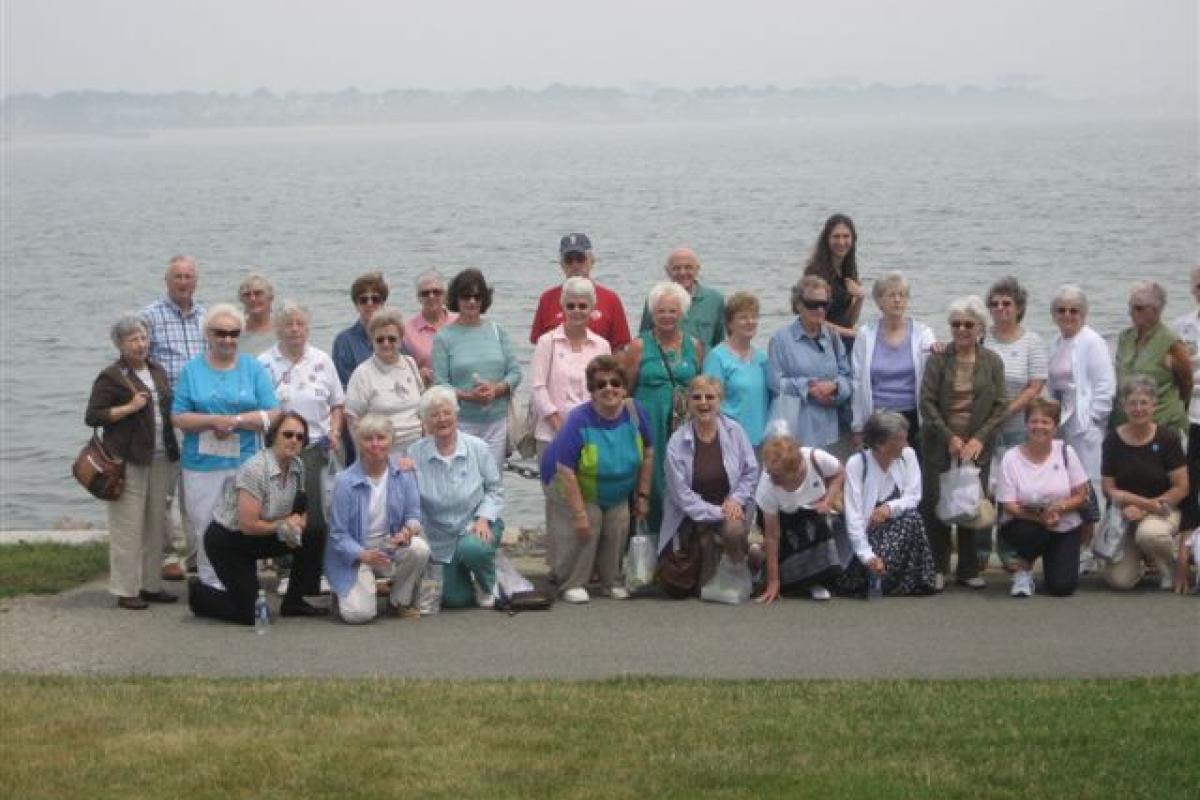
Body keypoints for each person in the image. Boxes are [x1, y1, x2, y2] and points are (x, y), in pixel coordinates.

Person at [171, 303, 279, 589]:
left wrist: (237, 420)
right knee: (206, 522)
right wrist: (211, 421)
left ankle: (242, 579)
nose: (228, 340)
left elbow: (273, 413)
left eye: (233, 334)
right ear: (208, 334)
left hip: (246, 462)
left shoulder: (254, 368)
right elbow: (179, 416)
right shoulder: (191, 370)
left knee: (243, 522)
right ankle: (209, 580)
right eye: (221, 333)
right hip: (202, 463)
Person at [188, 412, 326, 623]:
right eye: (288, 434)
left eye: (300, 437)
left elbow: (301, 506)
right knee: (253, 615)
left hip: (265, 533)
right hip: (229, 541)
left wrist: (301, 522)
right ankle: (200, 595)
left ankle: (294, 602)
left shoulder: (298, 465)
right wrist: (284, 524)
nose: (294, 440)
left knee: (314, 533)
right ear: (274, 436)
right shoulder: (255, 469)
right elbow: (248, 525)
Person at [85, 314, 181, 610]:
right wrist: (129, 407)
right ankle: (126, 590)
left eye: (143, 338)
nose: (140, 344)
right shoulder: (111, 376)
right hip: (127, 461)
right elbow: (94, 416)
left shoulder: (158, 370)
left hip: (161, 457)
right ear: (120, 345)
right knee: (127, 526)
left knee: (156, 525)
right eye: (133, 340)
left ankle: (151, 585)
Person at [540, 355, 653, 603]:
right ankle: (572, 581)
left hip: (618, 489)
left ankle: (611, 580)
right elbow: (566, 469)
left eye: (615, 383)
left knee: (618, 523)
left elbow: (649, 452)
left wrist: (643, 495)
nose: (609, 389)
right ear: (591, 391)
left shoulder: (635, 412)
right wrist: (579, 514)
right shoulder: (578, 420)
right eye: (601, 384)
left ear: (624, 387)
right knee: (588, 524)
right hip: (574, 483)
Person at [919, 296, 1008, 590]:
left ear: (980, 328)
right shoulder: (938, 359)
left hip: (976, 447)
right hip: (939, 443)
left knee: (970, 504)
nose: (961, 329)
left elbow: (1000, 406)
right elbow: (927, 403)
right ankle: (938, 567)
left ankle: (969, 569)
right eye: (955, 324)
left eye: (968, 324)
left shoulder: (992, 362)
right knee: (936, 506)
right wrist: (950, 437)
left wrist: (978, 439)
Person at [259, 300, 345, 595]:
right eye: (288, 324)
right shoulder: (264, 363)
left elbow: (337, 403)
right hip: (280, 451)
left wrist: (335, 430)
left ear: (308, 327)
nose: (295, 330)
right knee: (282, 511)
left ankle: (316, 570)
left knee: (318, 515)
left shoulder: (322, 360)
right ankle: (285, 570)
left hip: (317, 449)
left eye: (300, 324)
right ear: (278, 328)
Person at [530, 278, 612, 579]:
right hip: (552, 435)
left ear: (592, 309)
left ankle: (585, 568)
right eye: (570, 306)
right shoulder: (547, 343)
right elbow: (538, 387)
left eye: (583, 306)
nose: (576, 311)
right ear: (561, 308)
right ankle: (559, 568)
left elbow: (605, 388)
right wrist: (559, 424)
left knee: (587, 499)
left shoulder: (601, 345)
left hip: (592, 434)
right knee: (558, 502)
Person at [325, 413, 432, 622]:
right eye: (368, 438)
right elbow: (338, 535)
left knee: (419, 548)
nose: (375, 444)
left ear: (391, 441)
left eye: (381, 438)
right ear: (358, 442)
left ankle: (398, 601)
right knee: (359, 615)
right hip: (356, 551)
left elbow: (414, 515)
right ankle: (344, 592)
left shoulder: (404, 473)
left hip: (389, 545)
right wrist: (362, 554)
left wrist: (407, 531)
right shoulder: (344, 482)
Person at [657, 376, 757, 597]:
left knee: (734, 530)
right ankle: (745, 557)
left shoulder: (736, 431)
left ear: (720, 400)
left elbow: (750, 472)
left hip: (731, 508)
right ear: (689, 402)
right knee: (695, 587)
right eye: (697, 397)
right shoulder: (676, 441)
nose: (704, 403)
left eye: (710, 397)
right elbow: (681, 494)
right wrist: (719, 512)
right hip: (690, 517)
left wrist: (736, 501)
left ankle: (739, 572)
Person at [409, 387, 504, 609]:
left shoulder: (477, 447)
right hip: (440, 536)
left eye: (446, 412)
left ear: (456, 414)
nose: (441, 419)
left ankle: (488, 583)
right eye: (434, 415)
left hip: (475, 525)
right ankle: (466, 575)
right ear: (426, 423)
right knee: (455, 600)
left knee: (473, 549)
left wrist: (483, 518)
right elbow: (410, 501)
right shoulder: (414, 453)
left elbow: (495, 489)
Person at [141, 254, 205, 581]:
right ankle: (166, 553)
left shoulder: (205, 318)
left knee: (194, 487)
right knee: (164, 488)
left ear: (196, 281)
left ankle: (196, 554)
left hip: (200, 415)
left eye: (188, 276)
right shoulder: (149, 317)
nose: (183, 282)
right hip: (165, 414)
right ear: (167, 281)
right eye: (177, 276)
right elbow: (136, 363)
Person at [1046, 284, 1117, 572]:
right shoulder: (1056, 341)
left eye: (1074, 310)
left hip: (1085, 424)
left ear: (1083, 314)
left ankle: (1090, 550)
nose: (1067, 315)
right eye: (1061, 310)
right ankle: (1073, 546)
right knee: (1069, 486)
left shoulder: (1092, 341)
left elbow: (1105, 386)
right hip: (1062, 423)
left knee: (1089, 486)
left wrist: (1093, 421)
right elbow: (1053, 385)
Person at [623, 281, 704, 531]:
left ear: (682, 313)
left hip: (683, 421)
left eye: (672, 311)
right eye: (661, 311)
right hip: (649, 419)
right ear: (652, 314)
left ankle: (680, 544)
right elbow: (626, 388)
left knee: (682, 479)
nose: (667, 316)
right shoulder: (638, 346)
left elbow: (700, 386)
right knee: (652, 482)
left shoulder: (695, 346)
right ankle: (648, 540)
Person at [1101, 376, 1189, 590]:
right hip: (1125, 515)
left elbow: (1182, 486)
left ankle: (1167, 565)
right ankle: (1141, 559)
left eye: (1144, 402)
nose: (1138, 408)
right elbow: (1108, 488)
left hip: (1164, 510)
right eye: (1132, 403)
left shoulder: (1168, 438)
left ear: (1154, 405)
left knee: (1150, 534)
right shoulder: (1112, 439)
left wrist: (1145, 508)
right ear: (1123, 406)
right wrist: (1131, 506)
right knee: (1119, 581)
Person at [836, 411, 938, 597]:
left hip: (896, 529)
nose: (905, 443)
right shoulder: (857, 464)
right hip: (866, 537)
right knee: (869, 565)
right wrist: (867, 556)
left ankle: (904, 580)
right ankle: (876, 574)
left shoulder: (908, 456)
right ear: (881, 444)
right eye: (898, 439)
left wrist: (889, 508)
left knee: (912, 518)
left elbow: (914, 496)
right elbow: (854, 517)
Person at [995, 398, 1090, 597]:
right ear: (1026, 424)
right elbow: (1009, 506)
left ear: (1055, 427)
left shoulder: (1066, 452)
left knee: (1062, 587)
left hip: (1063, 522)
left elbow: (1082, 495)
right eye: (1034, 421)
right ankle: (1023, 570)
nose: (1039, 426)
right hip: (1026, 522)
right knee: (1029, 533)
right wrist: (1041, 519)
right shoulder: (1011, 458)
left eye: (1045, 422)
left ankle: (1053, 558)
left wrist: (1059, 509)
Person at [432, 268, 522, 472]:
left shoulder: (497, 331)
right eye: (465, 296)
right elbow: (439, 384)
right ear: (456, 298)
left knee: (492, 483)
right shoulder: (444, 338)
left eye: (477, 296)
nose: (471, 302)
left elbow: (515, 373)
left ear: (484, 299)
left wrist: (496, 390)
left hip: (497, 423)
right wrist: (469, 396)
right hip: (462, 423)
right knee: (463, 483)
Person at [754, 433, 846, 604]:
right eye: (769, 472)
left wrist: (828, 500)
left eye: (777, 475)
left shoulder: (817, 458)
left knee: (821, 523)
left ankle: (818, 580)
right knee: (789, 539)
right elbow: (773, 536)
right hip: (782, 518)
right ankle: (775, 574)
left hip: (812, 510)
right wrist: (774, 583)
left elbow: (840, 473)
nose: (771, 479)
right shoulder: (767, 486)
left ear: (795, 471)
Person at [849, 271, 936, 452]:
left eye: (902, 295)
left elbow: (933, 369)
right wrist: (858, 427)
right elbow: (856, 382)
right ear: (880, 301)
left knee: (912, 472)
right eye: (891, 295)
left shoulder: (923, 333)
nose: (897, 300)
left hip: (912, 417)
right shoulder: (866, 334)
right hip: (878, 417)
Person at [767, 275, 851, 454]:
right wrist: (808, 387)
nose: (819, 310)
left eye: (824, 304)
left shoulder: (833, 338)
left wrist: (835, 387)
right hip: (796, 431)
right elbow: (775, 384)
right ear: (798, 305)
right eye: (812, 304)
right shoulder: (781, 339)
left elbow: (848, 378)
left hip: (831, 433)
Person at [1113, 280, 1192, 436]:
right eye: (1130, 307)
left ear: (1156, 310)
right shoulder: (1125, 337)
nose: (1132, 312)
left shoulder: (1172, 342)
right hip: (1126, 421)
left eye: (1139, 308)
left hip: (1162, 422)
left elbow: (1186, 384)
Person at [529, 233, 631, 351]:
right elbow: (540, 347)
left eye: (580, 258)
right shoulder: (547, 299)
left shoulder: (611, 299)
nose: (575, 265)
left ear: (591, 261)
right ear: (562, 264)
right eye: (569, 260)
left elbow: (620, 348)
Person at [345, 307, 425, 458]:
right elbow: (353, 419)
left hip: (417, 448)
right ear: (372, 341)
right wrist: (365, 456)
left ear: (401, 339)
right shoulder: (363, 373)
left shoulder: (410, 364)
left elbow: (422, 407)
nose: (386, 343)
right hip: (381, 451)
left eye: (392, 339)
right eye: (380, 339)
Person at [702, 291, 771, 451]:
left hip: (760, 441)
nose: (750, 322)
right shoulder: (717, 357)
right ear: (730, 323)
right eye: (743, 317)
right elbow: (710, 403)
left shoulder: (762, 358)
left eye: (754, 317)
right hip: (730, 440)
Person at [638, 248, 725, 350]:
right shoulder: (655, 299)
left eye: (688, 267)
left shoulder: (714, 300)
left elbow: (720, 342)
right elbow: (644, 339)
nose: (682, 272)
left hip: (704, 363)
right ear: (667, 271)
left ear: (697, 269)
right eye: (676, 268)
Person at [804, 214, 864, 342]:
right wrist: (851, 333)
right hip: (819, 342)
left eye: (846, 236)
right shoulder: (815, 273)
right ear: (827, 239)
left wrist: (859, 298)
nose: (841, 242)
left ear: (853, 240)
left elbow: (848, 321)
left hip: (842, 341)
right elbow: (813, 320)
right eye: (836, 237)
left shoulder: (848, 272)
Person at [1173, 266, 1200, 550]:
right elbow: (1175, 372)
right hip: (1191, 414)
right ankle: (1186, 547)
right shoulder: (1181, 327)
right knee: (1190, 483)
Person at [332, 271, 389, 388]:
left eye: (375, 299)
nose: (369, 304)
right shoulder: (344, 341)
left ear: (383, 303)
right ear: (356, 305)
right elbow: (343, 384)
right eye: (363, 300)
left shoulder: (395, 337)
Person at [404, 269, 456, 386]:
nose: (431, 296)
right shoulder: (406, 331)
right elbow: (400, 368)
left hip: (460, 390)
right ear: (418, 298)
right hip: (426, 393)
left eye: (436, 292)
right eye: (425, 293)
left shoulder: (459, 322)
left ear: (445, 295)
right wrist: (417, 374)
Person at [236, 272, 276, 356]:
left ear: (270, 297)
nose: (253, 299)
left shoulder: (284, 331)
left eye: (258, 293)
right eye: (247, 295)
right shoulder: (234, 334)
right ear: (241, 300)